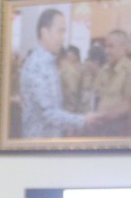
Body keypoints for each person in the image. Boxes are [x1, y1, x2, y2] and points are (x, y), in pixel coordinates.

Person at [19, 9, 101, 139]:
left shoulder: (48, 63)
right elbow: (47, 114)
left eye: (64, 32)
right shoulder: (37, 65)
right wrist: (83, 120)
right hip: (39, 144)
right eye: (60, 31)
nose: (63, 38)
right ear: (44, 33)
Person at [88, 28, 131, 133]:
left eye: (111, 47)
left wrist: (101, 116)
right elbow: (95, 97)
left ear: (124, 47)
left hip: (119, 134)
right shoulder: (104, 71)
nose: (106, 51)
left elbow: (127, 105)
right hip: (100, 130)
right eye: (106, 46)